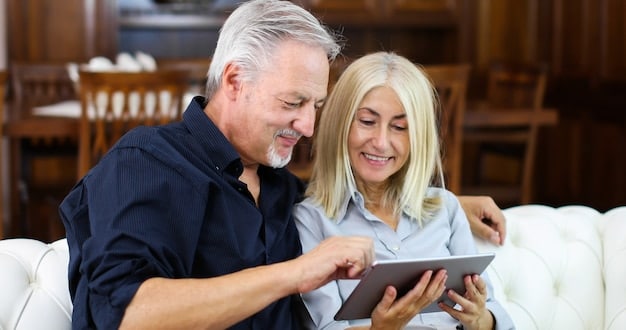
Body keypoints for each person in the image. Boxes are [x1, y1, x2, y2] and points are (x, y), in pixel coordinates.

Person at [60, 1, 504, 328]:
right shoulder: (147, 162)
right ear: (235, 80)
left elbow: (345, 197)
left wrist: (441, 203)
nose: (309, 126)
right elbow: (128, 314)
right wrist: (293, 274)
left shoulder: (278, 187)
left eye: (316, 105)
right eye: (294, 102)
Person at [293, 52, 515, 329]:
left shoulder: (445, 208)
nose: (381, 142)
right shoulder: (312, 221)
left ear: (417, 137)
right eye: (367, 121)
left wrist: (479, 318)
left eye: (399, 127)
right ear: (340, 125)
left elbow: (495, 315)